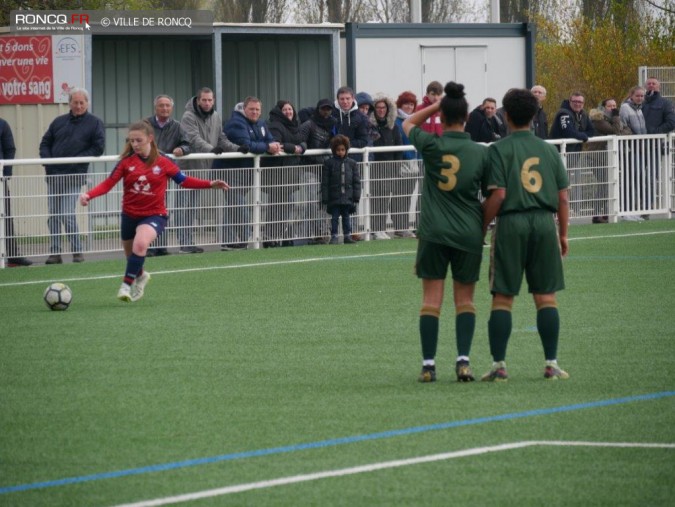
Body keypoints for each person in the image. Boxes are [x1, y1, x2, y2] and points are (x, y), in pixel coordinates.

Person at [79, 121, 229, 302]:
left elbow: (183, 181)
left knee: (140, 245)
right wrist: (89, 195)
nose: (134, 144)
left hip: (154, 214)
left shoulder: (164, 161)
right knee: (132, 256)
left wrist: (209, 184)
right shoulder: (126, 163)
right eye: (131, 140)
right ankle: (141, 276)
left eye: (138, 140)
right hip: (129, 215)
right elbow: (108, 184)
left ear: (150, 138)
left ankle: (126, 286)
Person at [481, 88, 570, 382]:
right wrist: (564, 235)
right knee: (546, 297)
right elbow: (563, 198)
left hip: (511, 223)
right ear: (534, 116)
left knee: (503, 298)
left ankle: (499, 365)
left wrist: (480, 227)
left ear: (506, 116)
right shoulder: (548, 150)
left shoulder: (497, 150)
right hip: (545, 223)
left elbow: (497, 195)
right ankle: (551, 363)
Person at [402, 81, 488, 383]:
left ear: (443, 115)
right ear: (466, 118)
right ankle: (463, 362)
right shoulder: (480, 153)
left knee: (431, 300)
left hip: (434, 232)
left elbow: (408, 122)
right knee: (465, 301)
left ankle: (428, 365)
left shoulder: (431, 145)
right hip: (468, 233)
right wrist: (482, 226)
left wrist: (439, 104)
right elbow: (492, 195)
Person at [39, 87, 105, 264]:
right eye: (75, 102)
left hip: (74, 176)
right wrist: (48, 161)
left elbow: (98, 148)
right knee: (53, 214)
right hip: (54, 175)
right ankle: (55, 253)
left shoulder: (95, 123)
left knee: (67, 214)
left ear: (87, 103)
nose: (78, 106)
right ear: (69, 103)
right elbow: (45, 143)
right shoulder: (58, 122)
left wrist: (75, 160)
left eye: (81, 102)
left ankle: (77, 251)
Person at [176, 87, 240, 254]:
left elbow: (222, 139)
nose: (207, 103)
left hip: (203, 168)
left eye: (210, 100)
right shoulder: (188, 116)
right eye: (204, 100)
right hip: (186, 169)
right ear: (198, 100)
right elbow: (194, 139)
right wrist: (212, 149)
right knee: (183, 207)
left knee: (193, 207)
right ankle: (185, 243)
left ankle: (188, 242)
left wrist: (239, 148)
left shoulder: (216, 116)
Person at [222, 96, 281, 249]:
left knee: (234, 206)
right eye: (251, 109)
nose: (254, 112)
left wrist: (271, 145)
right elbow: (246, 145)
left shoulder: (261, 123)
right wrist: (267, 148)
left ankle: (229, 242)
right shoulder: (236, 122)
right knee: (238, 206)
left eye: (257, 110)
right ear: (244, 109)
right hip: (231, 171)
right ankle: (242, 239)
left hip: (247, 171)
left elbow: (270, 139)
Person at [145, 94, 191, 256]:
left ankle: (161, 246)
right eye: (161, 105)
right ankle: (149, 246)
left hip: (166, 172)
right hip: (147, 173)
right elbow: (134, 143)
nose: (164, 108)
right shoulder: (145, 125)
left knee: (161, 210)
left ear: (171, 108)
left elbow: (187, 143)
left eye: (167, 106)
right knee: (148, 210)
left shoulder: (177, 126)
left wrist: (182, 149)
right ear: (155, 107)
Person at [266, 100, 306, 246]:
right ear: (279, 112)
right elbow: (277, 145)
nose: (288, 112)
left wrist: (301, 147)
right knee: (278, 205)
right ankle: (271, 237)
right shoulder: (275, 125)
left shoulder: (295, 125)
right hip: (277, 173)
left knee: (286, 204)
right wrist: (294, 148)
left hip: (289, 173)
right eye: (285, 110)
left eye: (290, 109)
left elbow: (303, 141)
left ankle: (280, 235)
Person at [298, 98, 337, 244]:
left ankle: (322, 232)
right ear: (318, 109)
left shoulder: (334, 124)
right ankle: (317, 233)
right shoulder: (308, 124)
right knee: (314, 201)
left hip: (327, 168)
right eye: (323, 109)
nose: (326, 112)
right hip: (309, 168)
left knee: (325, 201)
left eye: (328, 109)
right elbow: (300, 140)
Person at [588, 98, 632, 223]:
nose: (613, 108)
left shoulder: (613, 119)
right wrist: (616, 118)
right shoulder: (598, 118)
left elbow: (628, 130)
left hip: (609, 156)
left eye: (614, 105)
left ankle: (605, 213)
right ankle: (597, 214)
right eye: (609, 105)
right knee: (604, 184)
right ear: (603, 107)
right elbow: (615, 131)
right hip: (596, 156)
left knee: (609, 184)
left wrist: (618, 130)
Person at [370, 93, 402, 239]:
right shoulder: (370, 126)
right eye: (378, 107)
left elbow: (398, 147)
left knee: (385, 197)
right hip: (374, 167)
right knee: (376, 198)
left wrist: (397, 167)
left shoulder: (393, 127)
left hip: (389, 167)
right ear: (374, 109)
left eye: (384, 107)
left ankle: (381, 227)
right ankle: (375, 228)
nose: (381, 110)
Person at [1, 118, 32, 266]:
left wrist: (5, 176)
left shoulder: (2, 124)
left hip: (0, 181)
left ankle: (13, 255)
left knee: (5, 217)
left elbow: (9, 149)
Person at [321, 135, 361, 245]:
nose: (340, 152)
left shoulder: (352, 163)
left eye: (343, 150)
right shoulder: (329, 163)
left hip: (347, 197)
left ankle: (347, 235)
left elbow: (356, 182)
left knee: (346, 217)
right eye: (338, 150)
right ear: (334, 150)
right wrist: (325, 197)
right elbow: (325, 183)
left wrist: (356, 196)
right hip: (334, 197)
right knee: (334, 218)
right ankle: (334, 235)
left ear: (346, 150)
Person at [620, 86, 649, 221]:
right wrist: (632, 142)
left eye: (642, 96)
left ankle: (633, 209)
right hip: (630, 150)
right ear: (631, 96)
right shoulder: (625, 108)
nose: (640, 98)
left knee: (637, 180)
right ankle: (626, 211)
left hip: (640, 149)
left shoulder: (639, 109)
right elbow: (623, 127)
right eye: (637, 96)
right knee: (629, 180)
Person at [393, 91, 420, 238]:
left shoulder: (416, 120)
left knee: (410, 195)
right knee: (400, 195)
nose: (409, 107)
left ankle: (407, 226)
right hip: (403, 162)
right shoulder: (397, 122)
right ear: (400, 105)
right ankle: (400, 226)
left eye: (411, 104)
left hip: (417, 162)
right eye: (406, 104)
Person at [333, 86, 369, 161]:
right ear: (337, 100)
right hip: (332, 159)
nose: (345, 101)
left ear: (353, 99)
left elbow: (364, 140)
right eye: (342, 99)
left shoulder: (361, 117)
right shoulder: (330, 113)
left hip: (353, 160)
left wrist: (345, 145)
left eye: (348, 98)